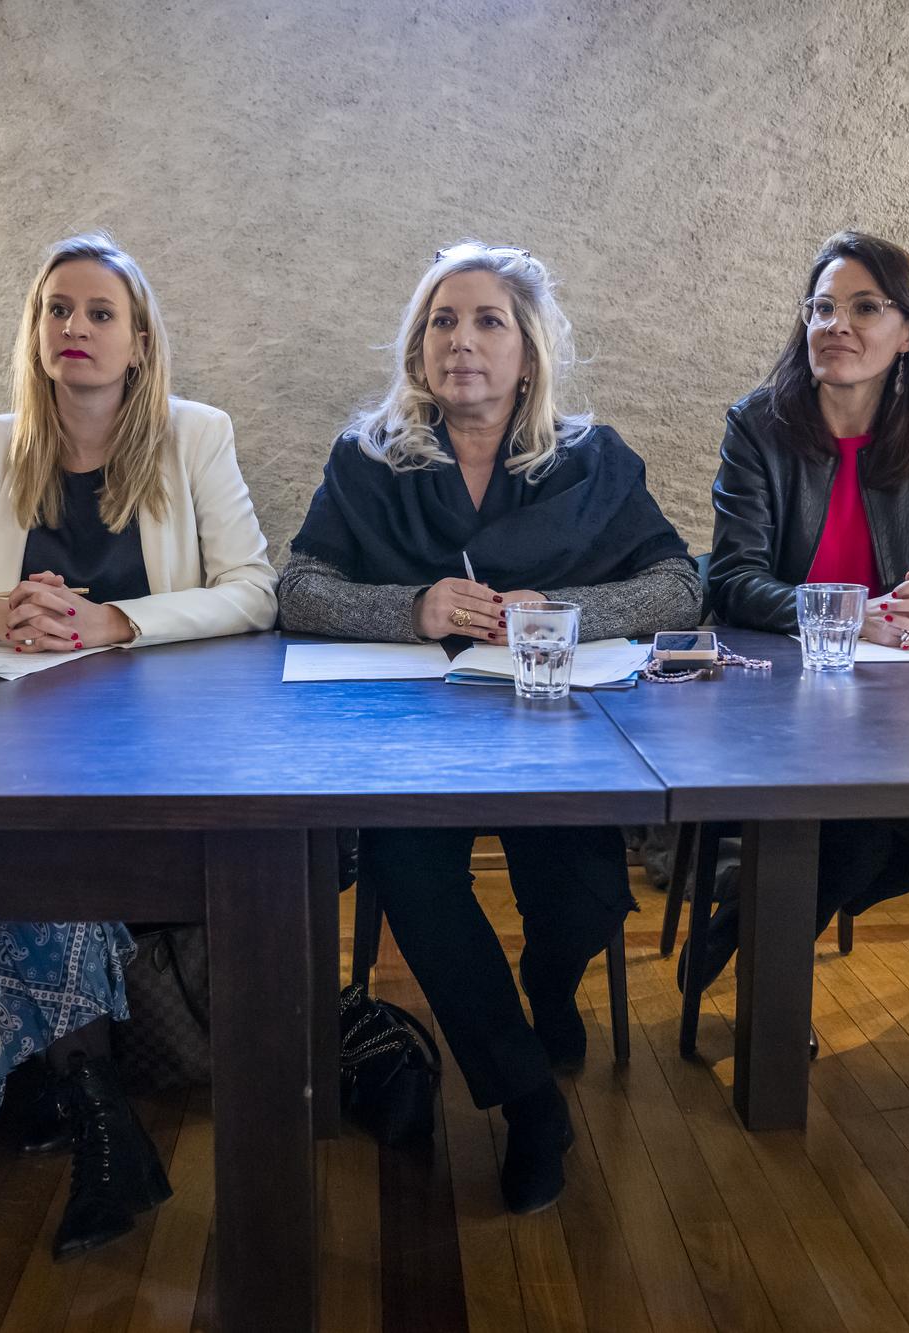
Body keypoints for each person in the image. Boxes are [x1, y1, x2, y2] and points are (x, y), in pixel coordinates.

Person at [279, 242, 699, 1213]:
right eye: (442, 321)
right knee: (408, 872)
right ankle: (526, 1100)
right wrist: (412, 610)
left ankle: (548, 986)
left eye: (487, 321)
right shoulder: (369, 458)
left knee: (582, 895)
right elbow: (298, 588)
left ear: (528, 349)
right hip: (415, 740)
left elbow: (680, 584)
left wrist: (563, 611)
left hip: (553, 730)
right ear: (418, 347)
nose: (460, 340)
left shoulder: (593, 460)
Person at [0, 232, 276, 1259]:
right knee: (17, 827)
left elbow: (255, 589)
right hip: (25, 728)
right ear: (36, 333)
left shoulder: (194, 435)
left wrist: (120, 622)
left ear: (139, 340)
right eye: (56, 310)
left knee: (34, 845)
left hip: (164, 733)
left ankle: (73, 1092)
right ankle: (102, 1113)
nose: (75, 327)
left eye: (100, 312)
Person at [692, 230, 909, 995]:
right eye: (822, 308)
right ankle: (770, 981)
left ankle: (746, 915)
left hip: (891, 700)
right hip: (779, 693)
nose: (836, 325)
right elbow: (732, 580)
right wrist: (845, 615)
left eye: (864, 308)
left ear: (908, 333)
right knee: (857, 837)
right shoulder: (758, 425)